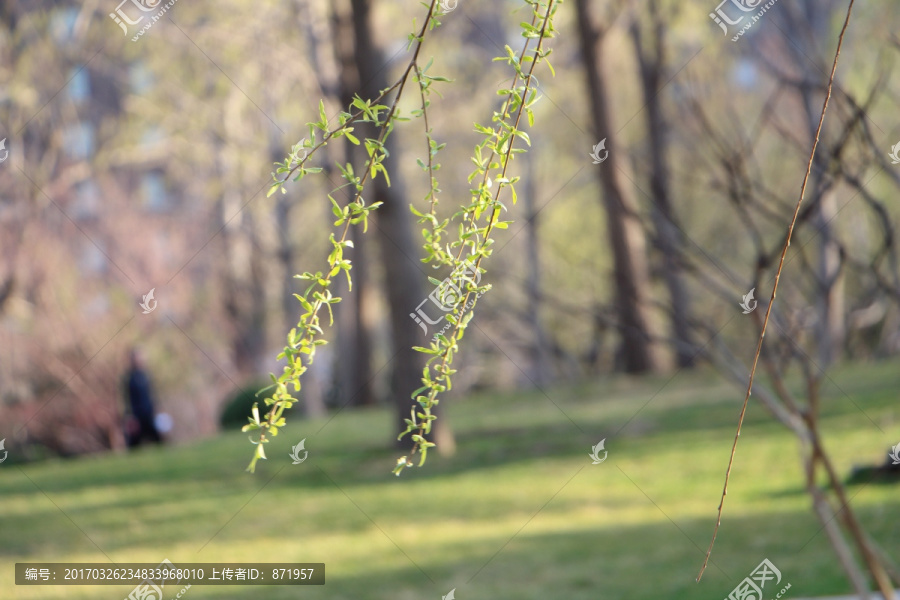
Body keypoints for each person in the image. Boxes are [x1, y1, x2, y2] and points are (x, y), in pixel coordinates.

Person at [124, 348, 162, 447]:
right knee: (134, 444)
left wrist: (157, 409)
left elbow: (152, 394)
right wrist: (130, 416)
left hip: (149, 414)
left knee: (159, 440)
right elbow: (126, 398)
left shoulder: (146, 375)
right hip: (137, 417)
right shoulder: (128, 378)